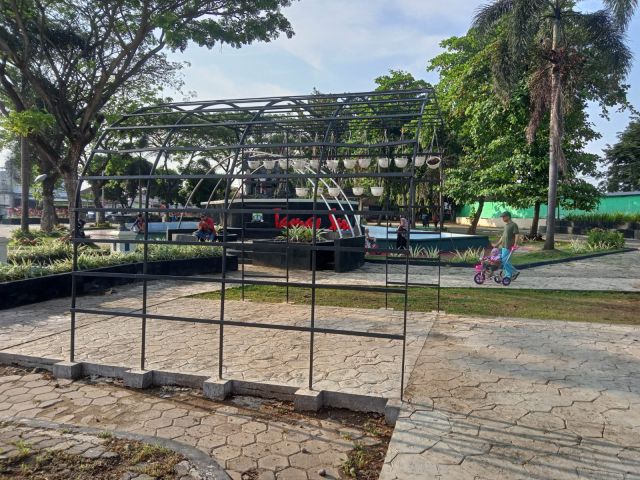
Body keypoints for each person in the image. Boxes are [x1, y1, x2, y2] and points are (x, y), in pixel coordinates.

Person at [493, 211, 520, 280]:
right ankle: (508, 275)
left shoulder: (513, 225)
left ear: (508, 216)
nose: (502, 218)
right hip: (504, 246)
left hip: (509, 246)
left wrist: (515, 244)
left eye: (503, 217)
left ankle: (515, 272)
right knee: (506, 261)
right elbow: (503, 236)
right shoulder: (506, 225)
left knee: (504, 261)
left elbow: (517, 235)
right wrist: (498, 244)